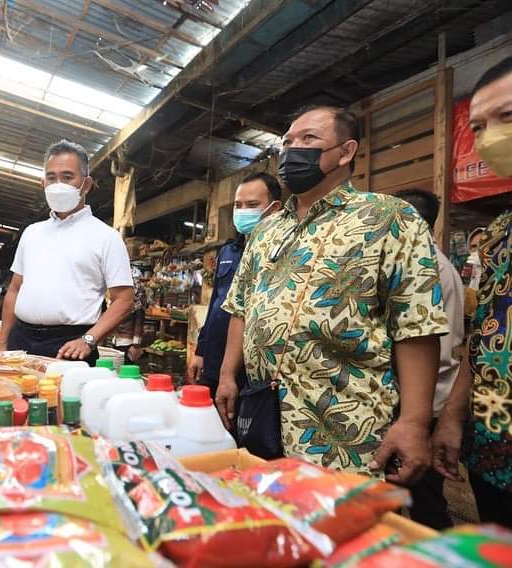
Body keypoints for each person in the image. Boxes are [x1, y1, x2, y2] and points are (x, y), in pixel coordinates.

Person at [217, 106, 448, 484]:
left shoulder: (389, 218)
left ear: (346, 151)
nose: (293, 150)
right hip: (262, 414)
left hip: (345, 431)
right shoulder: (265, 231)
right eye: (288, 141)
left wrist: (413, 421)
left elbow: (416, 325)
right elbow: (240, 305)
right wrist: (228, 374)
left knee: (339, 535)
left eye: (310, 139)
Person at [431, 56, 512, 527]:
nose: (490, 137)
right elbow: (483, 337)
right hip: (495, 450)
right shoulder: (500, 231)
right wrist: (453, 416)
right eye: (478, 126)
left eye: (508, 117)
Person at [0, 140, 134, 365]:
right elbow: (14, 289)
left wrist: (89, 339)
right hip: (20, 341)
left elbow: (124, 300)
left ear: (87, 184)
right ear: (43, 183)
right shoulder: (32, 233)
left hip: (70, 345)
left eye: (68, 177)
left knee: (65, 401)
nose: (58, 184)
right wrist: (3, 341)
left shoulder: (106, 237)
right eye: (51, 178)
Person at [395, 188, 464, 529]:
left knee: (424, 501)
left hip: (424, 403)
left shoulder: (428, 267)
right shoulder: (425, 262)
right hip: (424, 399)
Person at [188, 172, 282, 399]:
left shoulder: (281, 252)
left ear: (275, 208)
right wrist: (201, 351)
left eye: (252, 205)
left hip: (252, 368)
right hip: (214, 358)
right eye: (238, 205)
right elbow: (215, 304)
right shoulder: (229, 251)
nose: (242, 211)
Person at [113, 265, 147, 364]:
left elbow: (139, 322)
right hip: (117, 340)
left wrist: (136, 345)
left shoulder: (136, 297)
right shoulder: (119, 294)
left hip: (128, 343)